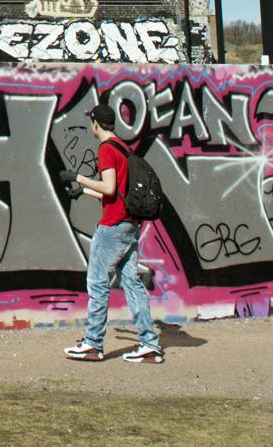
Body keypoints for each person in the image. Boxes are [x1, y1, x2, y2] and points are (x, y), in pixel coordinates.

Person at [63, 103, 163, 364]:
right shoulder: (122, 147)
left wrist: (79, 178)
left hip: (113, 226)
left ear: (95, 123)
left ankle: (93, 344)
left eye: (91, 122)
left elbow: (108, 188)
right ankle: (150, 345)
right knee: (132, 283)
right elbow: (117, 192)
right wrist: (83, 192)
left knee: (97, 283)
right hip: (130, 224)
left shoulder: (107, 149)